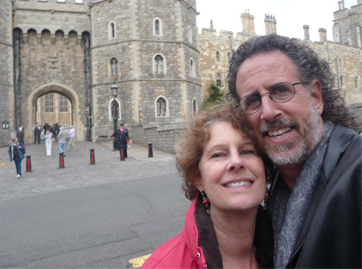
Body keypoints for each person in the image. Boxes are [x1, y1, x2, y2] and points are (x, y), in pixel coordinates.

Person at [227, 34, 361, 268]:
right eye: (253, 101)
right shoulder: (270, 201)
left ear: (316, 97)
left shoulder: (357, 171)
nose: (268, 112)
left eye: (280, 90)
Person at [142, 104, 274, 269]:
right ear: (198, 178)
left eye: (247, 151)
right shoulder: (163, 265)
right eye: (218, 154)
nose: (236, 162)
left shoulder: (293, 250)